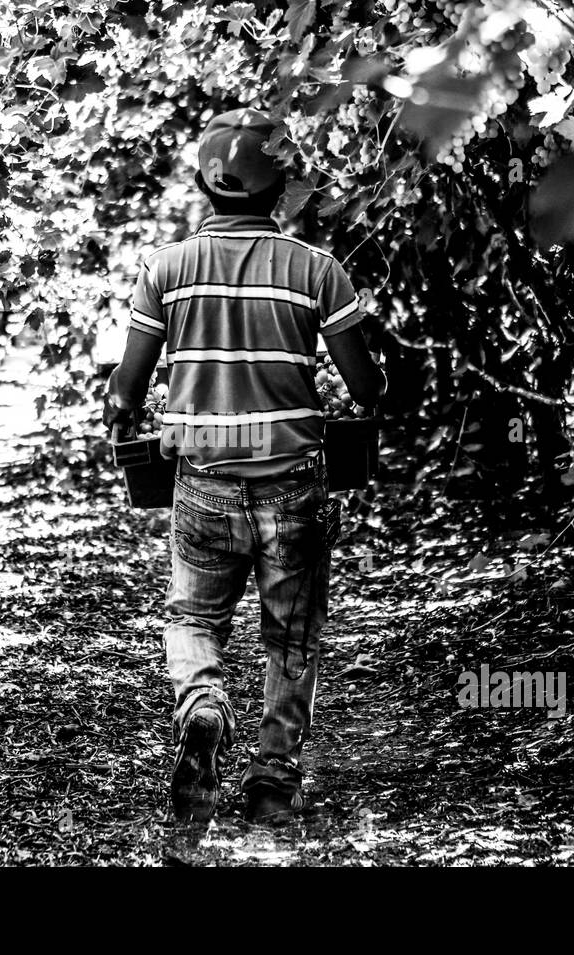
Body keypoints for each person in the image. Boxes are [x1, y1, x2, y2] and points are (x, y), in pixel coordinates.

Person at [104, 107, 385, 824]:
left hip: (202, 479)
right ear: (282, 185)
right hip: (292, 482)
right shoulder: (316, 270)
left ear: (203, 182)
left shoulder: (164, 270)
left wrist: (125, 415)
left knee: (193, 615)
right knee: (291, 633)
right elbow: (366, 386)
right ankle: (271, 784)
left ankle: (202, 702)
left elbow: (126, 391)